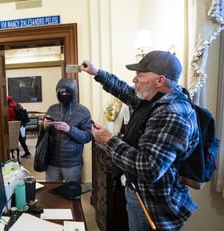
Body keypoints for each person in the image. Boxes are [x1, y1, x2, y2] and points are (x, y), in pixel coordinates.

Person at [81, 50, 199, 231]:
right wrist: (97, 73)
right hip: (138, 192)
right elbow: (125, 91)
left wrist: (109, 140)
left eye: (140, 75)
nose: (134, 79)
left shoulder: (173, 113)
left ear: (160, 80)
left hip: (153, 204)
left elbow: (150, 167)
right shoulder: (154, 100)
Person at [42, 78, 93, 183]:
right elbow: (43, 134)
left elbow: (87, 137)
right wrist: (44, 126)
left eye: (67, 92)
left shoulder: (83, 112)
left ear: (73, 93)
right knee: (51, 194)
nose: (64, 94)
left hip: (72, 164)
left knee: (72, 195)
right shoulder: (52, 109)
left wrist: (69, 129)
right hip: (51, 162)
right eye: (62, 92)